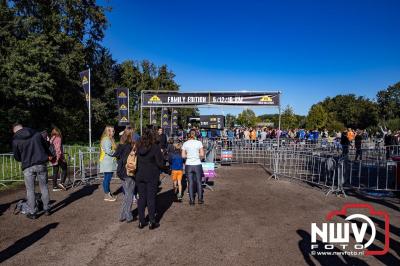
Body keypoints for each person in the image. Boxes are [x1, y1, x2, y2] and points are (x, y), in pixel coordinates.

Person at [12, 123, 51, 219]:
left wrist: (24, 158)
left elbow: (17, 157)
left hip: (27, 166)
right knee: (44, 187)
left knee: (30, 190)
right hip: (41, 163)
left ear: (15, 131)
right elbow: (46, 146)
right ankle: (46, 209)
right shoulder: (36, 134)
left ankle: (33, 212)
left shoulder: (16, 140)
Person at [136, 127, 165, 229]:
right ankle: (152, 221)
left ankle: (141, 221)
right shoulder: (155, 147)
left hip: (139, 175)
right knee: (151, 198)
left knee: (142, 198)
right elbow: (160, 163)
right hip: (152, 175)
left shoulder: (138, 146)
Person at [113, 130, 136, 223]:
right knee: (129, 194)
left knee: (127, 194)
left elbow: (115, 155)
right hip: (128, 172)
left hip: (120, 172)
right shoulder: (131, 146)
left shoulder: (120, 146)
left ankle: (122, 215)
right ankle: (128, 215)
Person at [182, 129, 205, 205]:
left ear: (189, 134)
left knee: (190, 182)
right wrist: (196, 155)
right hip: (197, 164)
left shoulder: (185, 143)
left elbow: (183, 156)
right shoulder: (199, 143)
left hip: (188, 164)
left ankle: (192, 201)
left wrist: (189, 155)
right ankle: (200, 199)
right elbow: (202, 154)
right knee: (199, 182)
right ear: (196, 134)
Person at [99, 125, 117, 202]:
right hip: (107, 162)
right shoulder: (106, 140)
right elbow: (108, 151)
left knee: (107, 178)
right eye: (111, 131)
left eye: (113, 131)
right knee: (107, 179)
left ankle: (108, 193)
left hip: (108, 161)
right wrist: (116, 152)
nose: (113, 132)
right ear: (108, 131)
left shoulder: (108, 139)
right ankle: (107, 194)